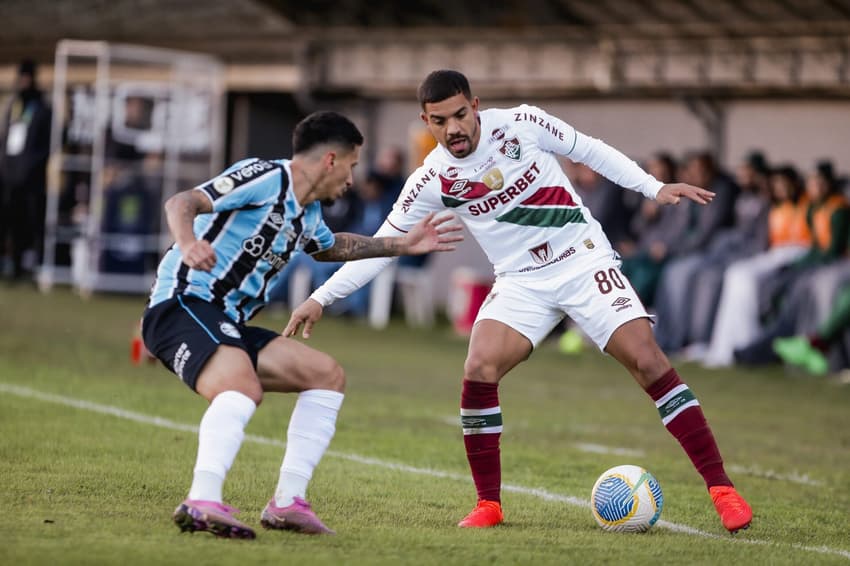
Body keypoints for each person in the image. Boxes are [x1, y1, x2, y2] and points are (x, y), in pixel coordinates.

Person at [285, 70, 753, 534]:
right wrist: (322, 297)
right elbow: (385, 242)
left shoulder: (522, 124)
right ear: (426, 121)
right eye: (440, 120)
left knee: (648, 361)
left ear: (476, 104)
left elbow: (589, 149)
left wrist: (653, 188)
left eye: (461, 115)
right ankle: (489, 502)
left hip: (581, 260)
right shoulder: (432, 180)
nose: (454, 129)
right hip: (521, 282)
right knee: (478, 366)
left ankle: (722, 490)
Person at [141, 111, 462, 539]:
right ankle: (202, 499)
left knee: (326, 375)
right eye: (350, 167)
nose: (351, 180)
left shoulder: (307, 214)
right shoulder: (266, 177)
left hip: (227, 322)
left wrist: (403, 243)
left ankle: (287, 502)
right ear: (331, 160)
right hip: (183, 304)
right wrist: (188, 243)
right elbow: (181, 202)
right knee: (240, 388)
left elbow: (331, 248)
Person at [0, 59, 52, 280]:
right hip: (9, 175)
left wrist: (30, 167)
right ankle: (9, 263)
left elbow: (46, 144)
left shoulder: (41, 108)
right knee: (8, 220)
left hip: (31, 178)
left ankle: (29, 266)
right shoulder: (14, 105)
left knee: (29, 223)